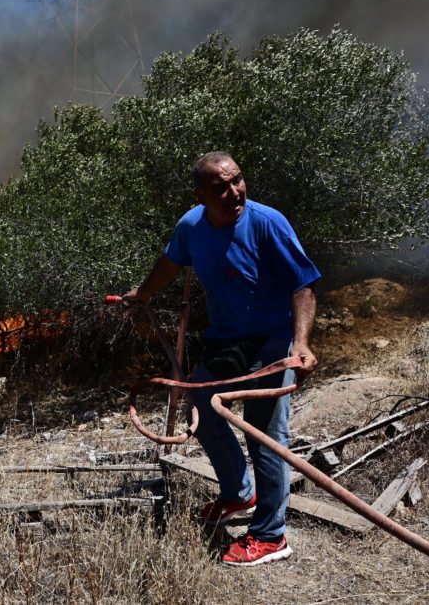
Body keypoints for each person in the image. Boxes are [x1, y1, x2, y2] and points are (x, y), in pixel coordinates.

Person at [122, 151, 320, 566]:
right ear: (200, 196)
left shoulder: (268, 223)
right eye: (220, 188)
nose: (234, 193)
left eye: (238, 181)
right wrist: (144, 293)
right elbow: (171, 261)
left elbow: (303, 287)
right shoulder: (192, 226)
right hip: (225, 339)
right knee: (206, 413)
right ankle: (237, 492)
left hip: (270, 341)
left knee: (264, 434)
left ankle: (271, 535)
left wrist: (300, 343)